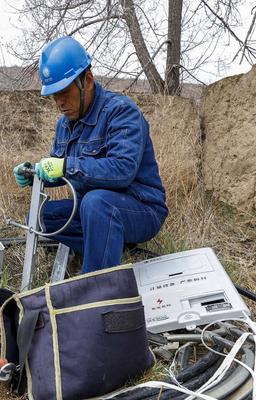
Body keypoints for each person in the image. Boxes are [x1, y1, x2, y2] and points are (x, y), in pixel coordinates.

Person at [13, 37, 168, 274]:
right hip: (93, 210)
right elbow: (60, 169)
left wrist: (65, 166)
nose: (60, 103)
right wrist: (37, 173)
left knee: (97, 203)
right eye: (54, 96)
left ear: (87, 80)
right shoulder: (64, 125)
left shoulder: (121, 112)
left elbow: (122, 170)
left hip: (141, 208)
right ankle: (109, 244)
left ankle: (94, 289)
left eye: (64, 92)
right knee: (39, 216)